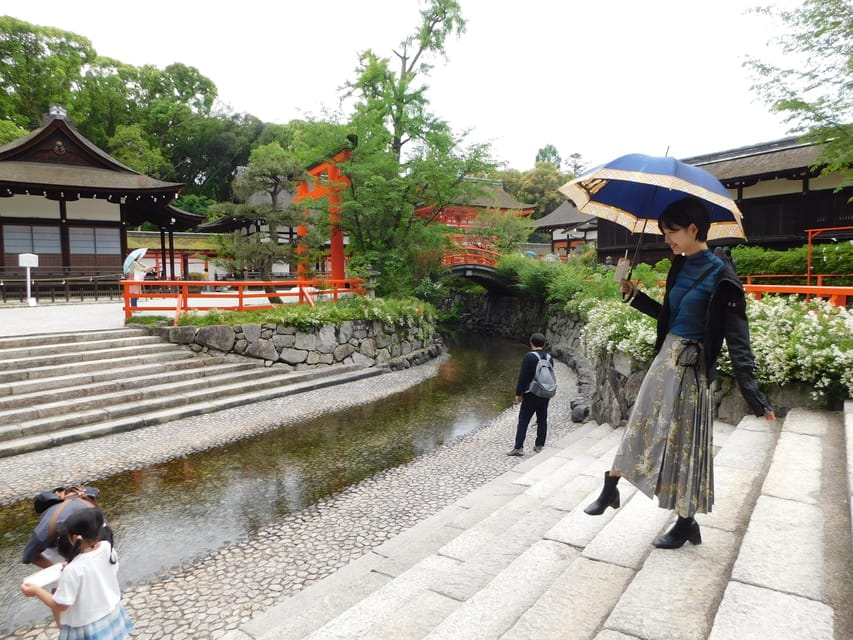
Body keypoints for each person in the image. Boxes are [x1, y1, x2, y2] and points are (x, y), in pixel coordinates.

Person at [583, 196, 776, 549]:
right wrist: (636, 297)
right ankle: (611, 485)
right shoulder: (679, 266)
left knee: (684, 446)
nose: (667, 239)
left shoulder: (723, 276)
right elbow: (670, 318)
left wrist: (754, 394)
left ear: (692, 229)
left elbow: (738, 338)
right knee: (641, 423)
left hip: (691, 370)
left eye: (671, 232)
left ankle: (686, 522)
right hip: (665, 361)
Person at [21, 508, 133, 638]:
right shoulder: (107, 548)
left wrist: (35, 591)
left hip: (87, 627)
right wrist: (71, 567)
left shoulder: (73, 570)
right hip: (111, 614)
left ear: (74, 537)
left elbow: (60, 605)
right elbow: (94, 570)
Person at [22, 487, 99, 569]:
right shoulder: (80, 497)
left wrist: (60, 570)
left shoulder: (47, 525)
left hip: (82, 538)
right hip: (97, 532)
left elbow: (27, 557)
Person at [507, 332, 553, 456]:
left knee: (524, 420)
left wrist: (518, 393)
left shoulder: (529, 357)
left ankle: (518, 448)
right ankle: (539, 445)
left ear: (531, 343)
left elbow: (523, 377)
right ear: (543, 344)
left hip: (531, 393)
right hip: (545, 392)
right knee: (542, 418)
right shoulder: (549, 357)